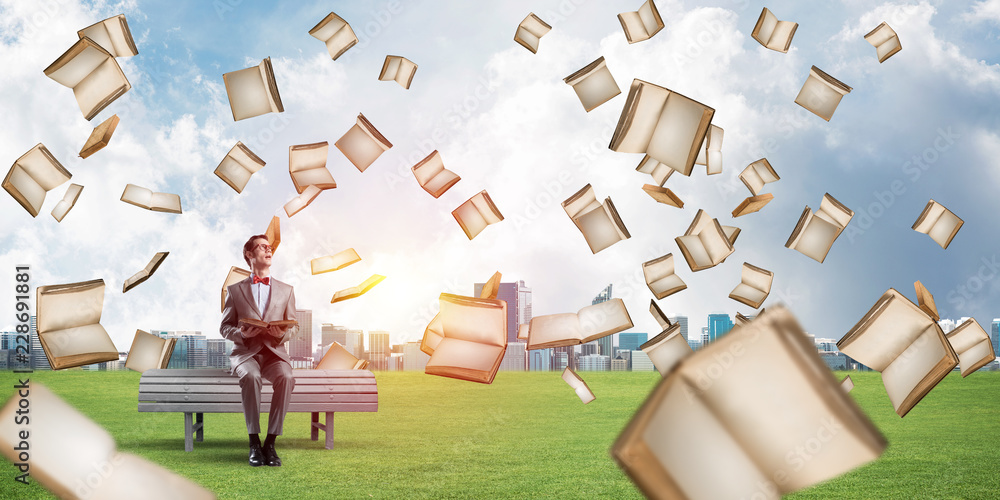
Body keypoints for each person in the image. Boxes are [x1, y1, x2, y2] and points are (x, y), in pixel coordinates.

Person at [220, 234, 298, 467]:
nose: (269, 249)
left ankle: (270, 443)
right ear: (249, 254)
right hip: (246, 353)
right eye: (263, 247)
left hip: (275, 353)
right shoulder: (234, 291)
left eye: (270, 247)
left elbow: (294, 325)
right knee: (252, 376)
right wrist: (242, 334)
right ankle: (254, 442)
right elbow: (225, 327)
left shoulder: (287, 290)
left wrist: (281, 334)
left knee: (286, 377)